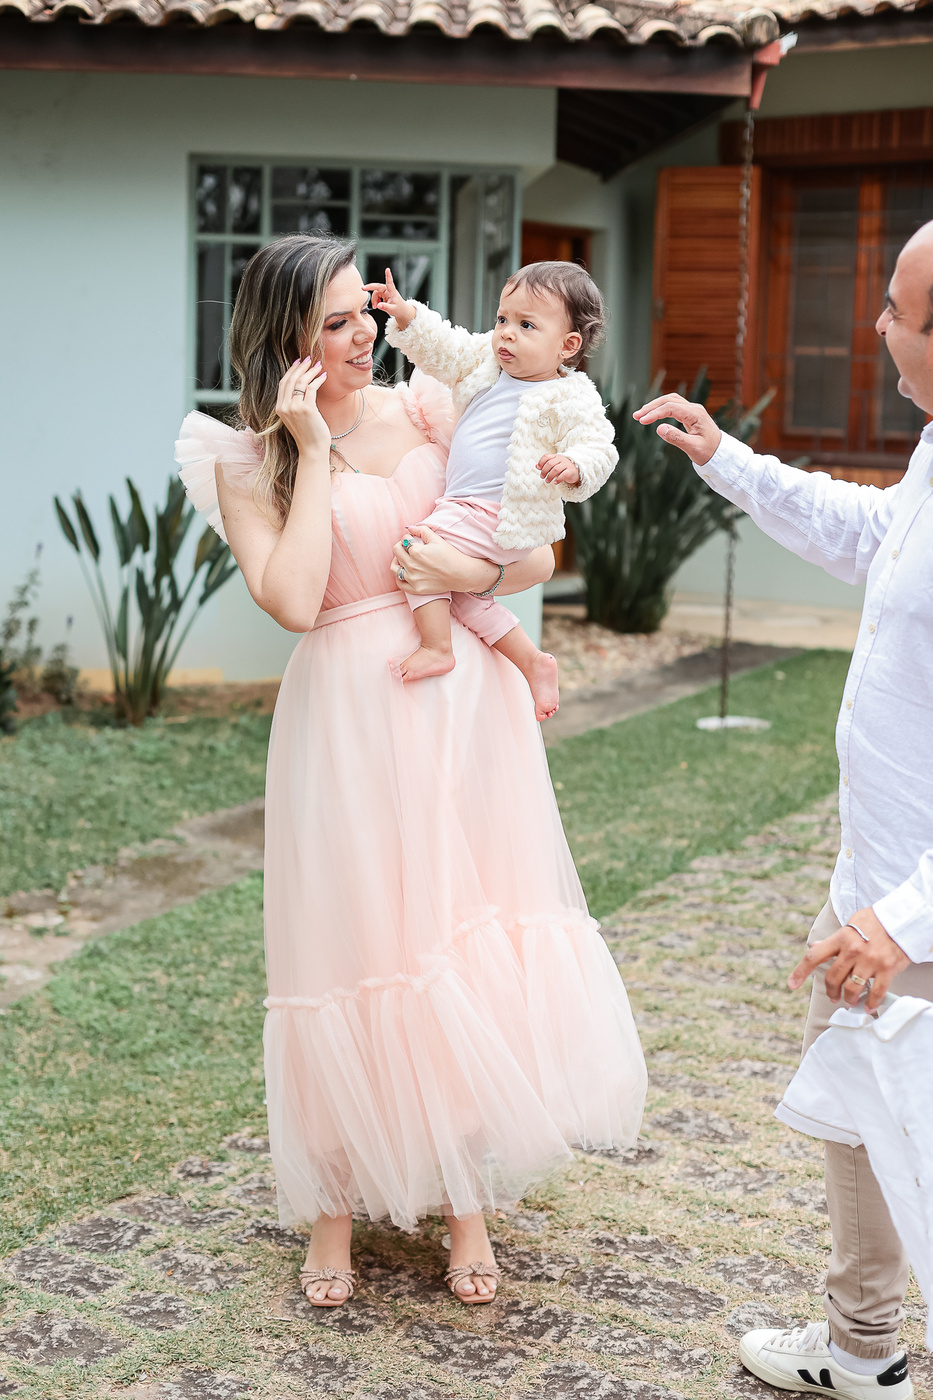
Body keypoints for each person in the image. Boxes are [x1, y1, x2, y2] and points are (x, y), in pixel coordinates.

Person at [175, 235, 647, 1311]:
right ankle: (334, 1204)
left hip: (464, 705)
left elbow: (536, 551)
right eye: (335, 323)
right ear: (285, 339)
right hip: (347, 711)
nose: (362, 337)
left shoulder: (435, 406)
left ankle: (464, 1198)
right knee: (354, 940)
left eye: (364, 314)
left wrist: (461, 566)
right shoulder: (245, 461)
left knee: (455, 933)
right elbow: (293, 599)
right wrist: (310, 448)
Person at [633, 219, 933, 1400]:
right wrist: (730, 460)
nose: (876, 323)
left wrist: (901, 921)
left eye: (897, 310)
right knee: (855, 1109)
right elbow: (872, 536)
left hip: (911, 913)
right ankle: (864, 1345)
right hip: (877, 877)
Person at [364, 262, 617, 721]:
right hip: (468, 508)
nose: (506, 333)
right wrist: (406, 315)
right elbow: (444, 345)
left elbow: (600, 447)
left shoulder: (571, 397)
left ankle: (437, 647)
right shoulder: (486, 361)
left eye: (526, 325)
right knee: (464, 594)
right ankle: (533, 661)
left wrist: (575, 466)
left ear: (567, 346)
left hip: (497, 512)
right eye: (502, 318)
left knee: (414, 553)